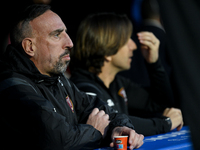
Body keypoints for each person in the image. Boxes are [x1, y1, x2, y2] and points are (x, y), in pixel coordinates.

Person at [0, 5, 144, 150]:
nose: (70, 43)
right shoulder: (14, 89)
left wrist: (119, 128)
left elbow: (101, 110)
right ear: (30, 47)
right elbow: (59, 141)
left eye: (66, 33)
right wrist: (94, 131)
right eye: (57, 35)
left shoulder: (58, 80)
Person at [69, 12, 184, 136]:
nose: (134, 46)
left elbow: (160, 103)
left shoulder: (116, 82)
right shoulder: (81, 87)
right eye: (126, 40)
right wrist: (165, 123)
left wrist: (154, 63)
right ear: (107, 50)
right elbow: (114, 123)